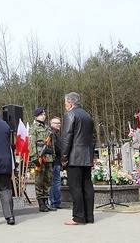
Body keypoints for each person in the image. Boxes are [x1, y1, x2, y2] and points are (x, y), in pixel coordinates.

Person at [61, 92, 95, 225]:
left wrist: (64, 157)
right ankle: (89, 216)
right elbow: (93, 138)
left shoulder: (71, 114)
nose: (65, 106)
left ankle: (78, 217)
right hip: (86, 156)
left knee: (75, 187)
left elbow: (67, 137)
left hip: (74, 157)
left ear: (70, 103)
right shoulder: (88, 115)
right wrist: (90, 154)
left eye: (65, 104)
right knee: (87, 185)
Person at [29, 107, 57, 212]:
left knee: (48, 180)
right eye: (41, 114)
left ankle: (46, 202)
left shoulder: (48, 128)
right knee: (39, 181)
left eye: (44, 114)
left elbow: (51, 144)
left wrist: (53, 156)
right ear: (37, 116)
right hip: (39, 157)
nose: (43, 116)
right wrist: (34, 158)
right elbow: (31, 144)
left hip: (48, 157)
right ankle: (41, 203)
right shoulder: (34, 128)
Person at [49, 116, 66, 209]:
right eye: (56, 123)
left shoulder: (58, 135)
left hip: (57, 161)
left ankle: (57, 201)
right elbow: (57, 148)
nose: (58, 125)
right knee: (54, 182)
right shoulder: (50, 135)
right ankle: (53, 202)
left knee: (57, 181)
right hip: (53, 161)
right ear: (51, 124)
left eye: (59, 123)